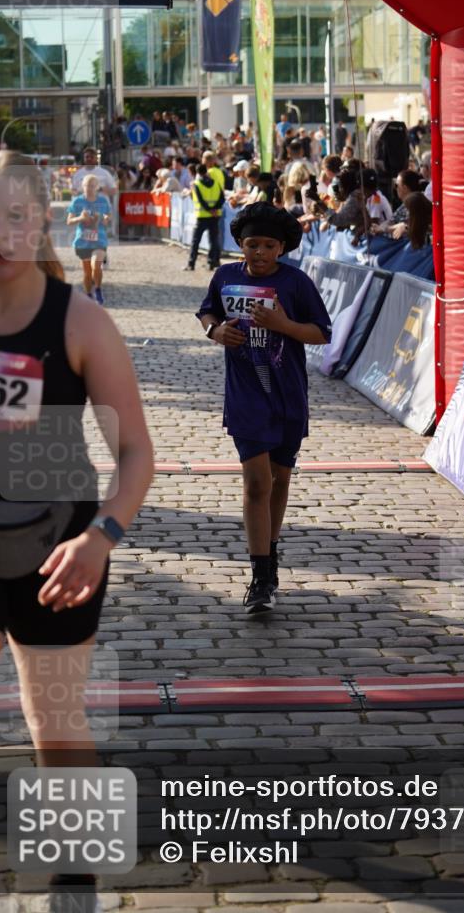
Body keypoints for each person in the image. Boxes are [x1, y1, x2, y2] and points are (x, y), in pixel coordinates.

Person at [0, 151, 154, 913]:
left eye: (15, 216)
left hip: (60, 551)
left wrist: (101, 537)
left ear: (42, 219)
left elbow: (136, 452)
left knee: (55, 723)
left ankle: (76, 876)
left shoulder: (80, 321)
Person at [196, 203, 331, 613]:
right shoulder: (225, 276)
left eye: (269, 246)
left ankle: (270, 557)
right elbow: (207, 311)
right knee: (257, 484)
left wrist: (283, 326)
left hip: (287, 396)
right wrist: (215, 331)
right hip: (245, 396)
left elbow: (322, 333)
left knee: (279, 479)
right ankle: (259, 578)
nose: (259, 253)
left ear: (282, 248)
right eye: (252, 244)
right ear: (240, 243)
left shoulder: (295, 282)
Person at [67, 174, 112, 305]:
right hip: (83, 241)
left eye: (92, 186)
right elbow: (69, 221)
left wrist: (106, 219)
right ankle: (88, 295)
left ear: (97, 187)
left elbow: (108, 216)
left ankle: (98, 289)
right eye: (86, 185)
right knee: (87, 273)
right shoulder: (77, 201)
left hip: (99, 240)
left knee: (96, 265)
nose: (89, 188)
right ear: (82, 186)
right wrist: (80, 218)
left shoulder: (103, 201)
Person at [186, 164, 225, 271]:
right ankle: (212, 262)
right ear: (206, 171)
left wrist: (209, 209)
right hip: (215, 216)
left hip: (202, 216)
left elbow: (201, 200)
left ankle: (191, 263)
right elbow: (222, 198)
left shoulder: (196, 184)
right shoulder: (216, 183)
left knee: (195, 241)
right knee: (213, 240)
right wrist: (215, 209)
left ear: (198, 172)